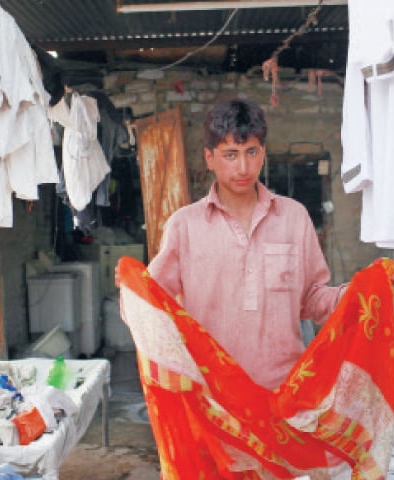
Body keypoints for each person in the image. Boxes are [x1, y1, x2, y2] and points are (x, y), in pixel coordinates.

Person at [138, 98, 346, 391]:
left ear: (263, 153)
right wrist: (131, 290)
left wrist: (357, 294)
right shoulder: (184, 225)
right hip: (209, 395)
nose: (243, 167)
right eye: (230, 155)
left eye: (251, 152)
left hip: (282, 392)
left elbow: (311, 299)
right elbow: (150, 303)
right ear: (210, 158)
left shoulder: (293, 217)